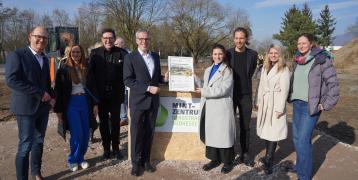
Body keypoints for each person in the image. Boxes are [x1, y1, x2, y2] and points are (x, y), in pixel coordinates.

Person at [5, 26, 55, 180]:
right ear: (30, 37)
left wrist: (52, 96)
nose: (41, 40)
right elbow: (11, 80)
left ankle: (36, 172)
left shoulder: (45, 59)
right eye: (38, 36)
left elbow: (47, 82)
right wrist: (40, 93)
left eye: (45, 38)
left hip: (42, 108)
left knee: (39, 141)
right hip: (26, 108)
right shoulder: (17, 55)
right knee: (25, 145)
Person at [289, 33, 339, 180]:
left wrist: (326, 104)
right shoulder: (297, 60)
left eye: (304, 43)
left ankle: (304, 176)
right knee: (297, 139)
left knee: (303, 140)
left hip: (310, 106)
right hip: (297, 104)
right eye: (299, 43)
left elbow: (334, 85)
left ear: (311, 44)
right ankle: (300, 166)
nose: (301, 45)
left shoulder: (322, 59)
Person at [123, 29, 168, 176]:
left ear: (149, 40)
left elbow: (155, 78)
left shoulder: (155, 56)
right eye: (141, 39)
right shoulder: (130, 58)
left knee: (149, 132)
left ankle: (146, 161)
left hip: (153, 103)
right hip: (138, 102)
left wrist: (164, 79)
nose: (144, 41)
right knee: (136, 134)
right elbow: (128, 80)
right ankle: (135, 164)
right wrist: (148, 88)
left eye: (146, 39)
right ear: (136, 40)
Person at [54, 45, 98, 171]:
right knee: (77, 133)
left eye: (78, 51)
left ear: (82, 53)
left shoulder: (87, 67)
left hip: (85, 101)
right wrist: (58, 110)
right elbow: (58, 90)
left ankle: (81, 158)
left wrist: (95, 105)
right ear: (69, 53)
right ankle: (72, 159)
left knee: (85, 132)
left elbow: (93, 86)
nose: (76, 54)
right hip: (71, 102)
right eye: (73, 52)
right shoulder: (63, 68)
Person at [87, 28, 128, 160]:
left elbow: (131, 71)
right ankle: (106, 149)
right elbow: (89, 75)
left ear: (114, 39)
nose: (108, 40)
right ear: (102, 40)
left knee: (116, 122)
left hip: (116, 95)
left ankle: (116, 148)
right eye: (105, 38)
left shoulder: (123, 53)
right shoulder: (94, 54)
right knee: (103, 123)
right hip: (100, 95)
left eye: (110, 38)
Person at [196, 44, 235, 174]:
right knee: (212, 135)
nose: (217, 56)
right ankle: (214, 159)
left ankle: (228, 162)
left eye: (220, 54)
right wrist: (194, 78)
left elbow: (224, 89)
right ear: (211, 55)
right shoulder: (208, 69)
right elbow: (205, 85)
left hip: (222, 108)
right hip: (210, 107)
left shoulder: (227, 70)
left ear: (223, 55)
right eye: (215, 54)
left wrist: (204, 91)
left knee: (223, 136)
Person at [256, 45, 290, 174]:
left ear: (280, 54)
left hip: (275, 103)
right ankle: (267, 157)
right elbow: (261, 86)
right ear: (268, 54)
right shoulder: (265, 67)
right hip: (265, 102)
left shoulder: (284, 69)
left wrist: (280, 108)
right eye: (271, 53)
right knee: (266, 130)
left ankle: (269, 161)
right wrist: (259, 101)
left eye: (276, 53)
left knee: (274, 132)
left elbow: (285, 90)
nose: (273, 55)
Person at [227, 27, 257, 166]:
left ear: (246, 39)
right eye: (237, 38)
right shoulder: (227, 54)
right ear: (234, 39)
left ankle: (245, 153)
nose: (239, 40)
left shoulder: (253, 55)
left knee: (245, 125)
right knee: (229, 124)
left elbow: (250, 73)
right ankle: (230, 152)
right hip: (230, 94)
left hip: (245, 95)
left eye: (242, 38)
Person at [114, 37, 130, 127]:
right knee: (121, 100)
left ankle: (128, 118)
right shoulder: (116, 53)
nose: (115, 45)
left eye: (116, 44)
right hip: (119, 82)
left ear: (122, 44)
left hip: (128, 82)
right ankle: (123, 118)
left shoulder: (129, 54)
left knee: (127, 100)